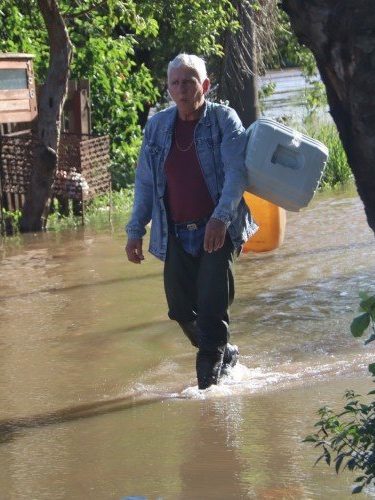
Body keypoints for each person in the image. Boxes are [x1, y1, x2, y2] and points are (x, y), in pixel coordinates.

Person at [125, 53, 258, 389]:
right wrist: (135, 230)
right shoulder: (157, 127)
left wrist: (220, 218)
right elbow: (144, 183)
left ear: (205, 86)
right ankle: (223, 353)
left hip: (218, 229)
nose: (182, 89)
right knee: (180, 309)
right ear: (168, 88)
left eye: (190, 82)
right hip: (174, 233)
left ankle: (208, 398)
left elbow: (236, 173)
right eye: (175, 83)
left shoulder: (223, 119)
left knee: (212, 314)